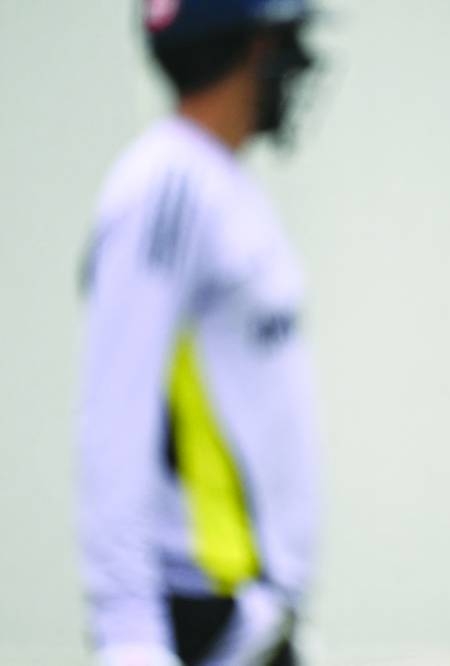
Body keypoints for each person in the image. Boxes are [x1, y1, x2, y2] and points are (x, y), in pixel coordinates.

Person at [78, 1, 322, 664]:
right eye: (284, 41)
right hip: (190, 618)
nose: (300, 65)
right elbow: (115, 410)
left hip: (245, 616)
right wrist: (130, 632)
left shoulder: (220, 183)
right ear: (247, 49)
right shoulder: (166, 185)